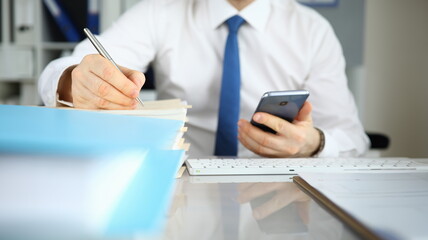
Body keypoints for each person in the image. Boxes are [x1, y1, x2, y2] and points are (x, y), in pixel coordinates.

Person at [38, 0, 369, 158]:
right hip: (180, 182)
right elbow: (63, 66)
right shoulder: (160, 11)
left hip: (281, 186)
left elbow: (352, 135)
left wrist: (314, 143)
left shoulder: (312, 30)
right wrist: (73, 80)